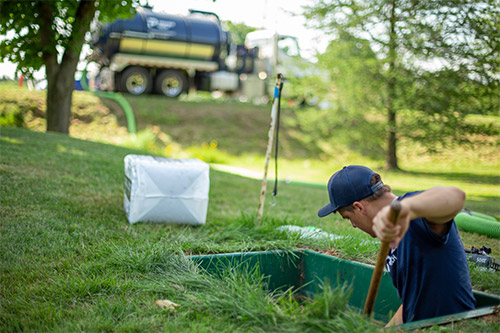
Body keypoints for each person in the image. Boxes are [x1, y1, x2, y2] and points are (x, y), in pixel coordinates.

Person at [317, 165, 476, 325]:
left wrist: (405, 209)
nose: (354, 225)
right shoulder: (391, 237)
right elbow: (411, 305)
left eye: (348, 217)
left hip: (452, 327)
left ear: (359, 207)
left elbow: (456, 196)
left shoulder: (416, 214)